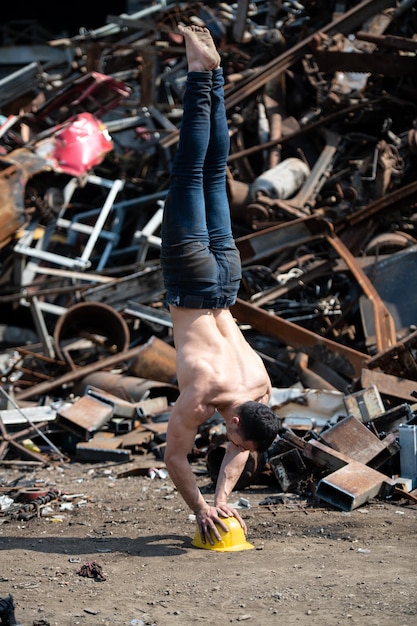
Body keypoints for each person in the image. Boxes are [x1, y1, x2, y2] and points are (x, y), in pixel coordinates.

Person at [161, 24, 281, 545]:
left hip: (228, 280)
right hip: (192, 279)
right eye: (235, 437)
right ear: (235, 424)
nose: (233, 443)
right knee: (191, 172)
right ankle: (197, 73)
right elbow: (173, 456)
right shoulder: (206, 394)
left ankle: (214, 75)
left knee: (214, 174)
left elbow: (241, 447)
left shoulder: (260, 390)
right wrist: (200, 511)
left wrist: (223, 499)